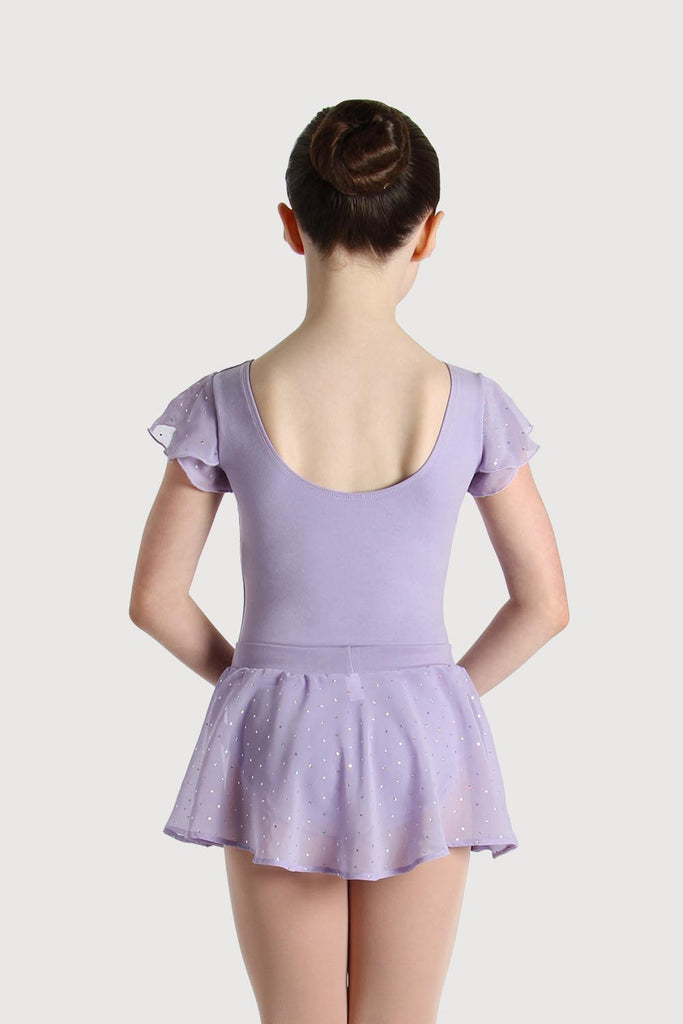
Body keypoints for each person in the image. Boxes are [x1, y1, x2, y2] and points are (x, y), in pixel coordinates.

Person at [130, 97, 569, 1024]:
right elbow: (543, 604)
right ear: (429, 233)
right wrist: (438, 694)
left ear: (291, 225)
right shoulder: (474, 404)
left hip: (276, 733)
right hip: (423, 733)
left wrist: (254, 682)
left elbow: (157, 599)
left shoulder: (225, 400)